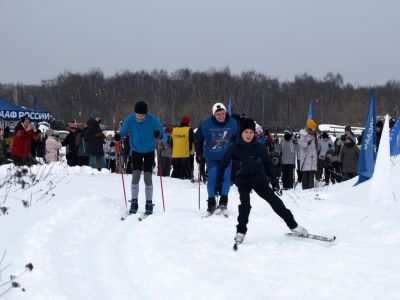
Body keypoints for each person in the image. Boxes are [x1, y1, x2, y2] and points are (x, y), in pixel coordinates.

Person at [215, 118, 307, 245]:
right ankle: (240, 232)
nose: (248, 135)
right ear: (241, 132)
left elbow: (268, 164)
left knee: (275, 201)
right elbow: (222, 165)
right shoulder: (235, 147)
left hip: (258, 179)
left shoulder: (259, 147)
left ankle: (293, 225)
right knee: (245, 206)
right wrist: (218, 183)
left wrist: (274, 182)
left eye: (251, 132)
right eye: (246, 132)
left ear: (254, 133)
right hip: (242, 180)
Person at [115, 101, 167, 215]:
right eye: (138, 115)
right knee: (136, 175)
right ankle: (134, 202)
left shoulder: (153, 120)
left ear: (146, 114)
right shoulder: (130, 119)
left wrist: (160, 135)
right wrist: (119, 136)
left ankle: (149, 203)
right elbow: (123, 130)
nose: (140, 117)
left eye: (142, 115)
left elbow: (165, 136)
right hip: (136, 151)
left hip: (149, 151)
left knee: (148, 177)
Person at [195, 102, 238, 214]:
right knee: (213, 176)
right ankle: (211, 201)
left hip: (227, 157)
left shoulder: (233, 123)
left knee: (226, 177)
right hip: (212, 156)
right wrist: (199, 153)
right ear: (214, 114)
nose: (221, 116)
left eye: (223, 113)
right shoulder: (206, 124)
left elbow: (238, 138)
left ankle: (223, 200)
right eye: (218, 114)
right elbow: (198, 139)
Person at [298, 119, 318, 189]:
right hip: (305, 161)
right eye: (313, 128)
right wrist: (308, 143)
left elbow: (315, 149)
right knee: (305, 181)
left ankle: (310, 194)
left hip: (312, 161)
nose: (314, 129)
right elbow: (302, 146)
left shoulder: (315, 135)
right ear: (310, 128)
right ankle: (305, 194)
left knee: (311, 181)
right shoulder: (303, 134)